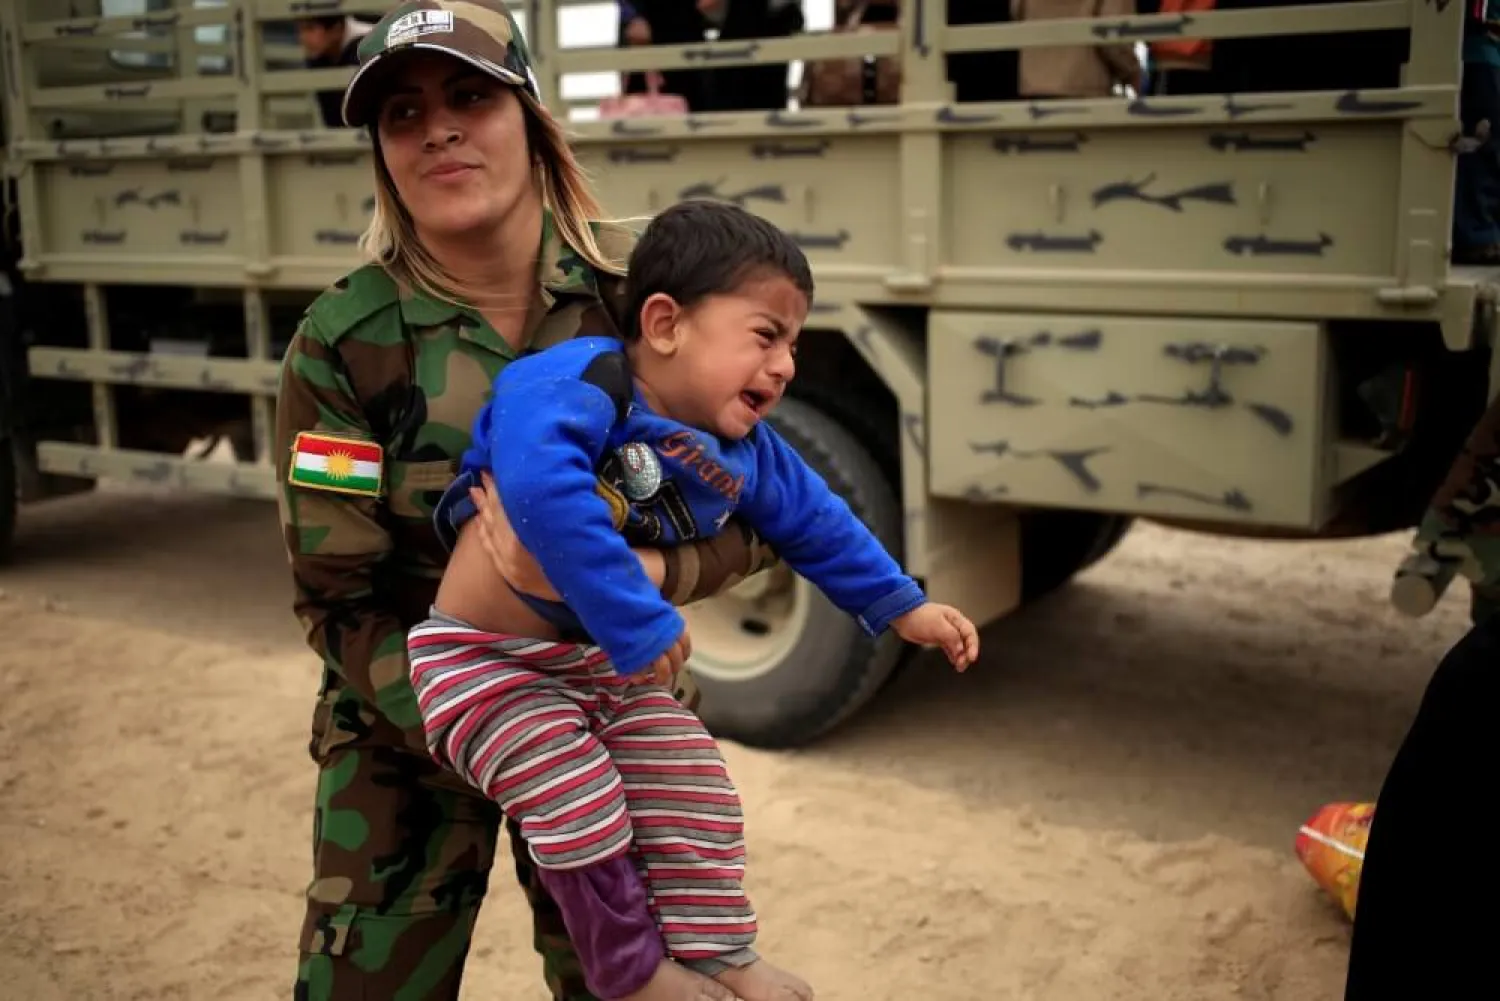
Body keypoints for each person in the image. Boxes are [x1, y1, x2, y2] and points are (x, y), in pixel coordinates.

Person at [273, 2, 781, 998]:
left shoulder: (644, 311)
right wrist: (489, 719)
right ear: (383, 153)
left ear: (531, 118)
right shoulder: (341, 345)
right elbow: (337, 597)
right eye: (404, 114)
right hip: (410, 728)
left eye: (470, 95)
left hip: (608, 720)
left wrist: (655, 570)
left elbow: (762, 509)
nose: (441, 128)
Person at [405, 199, 981, 1000]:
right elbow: (542, 493)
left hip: (599, 674)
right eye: (765, 334)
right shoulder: (574, 381)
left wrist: (899, 602)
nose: (785, 366)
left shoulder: (746, 452)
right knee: (580, 796)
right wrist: (638, 619)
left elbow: (818, 520)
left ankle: (719, 951)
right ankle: (628, 969)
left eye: (794, 344)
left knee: (693, 780)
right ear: (667, 323)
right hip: (485, 666)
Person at [295, 14, 366, 128]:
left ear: (336, 29)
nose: (303, 38)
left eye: (310, 29)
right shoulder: (319, 58)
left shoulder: (366, 46)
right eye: (300, 30)